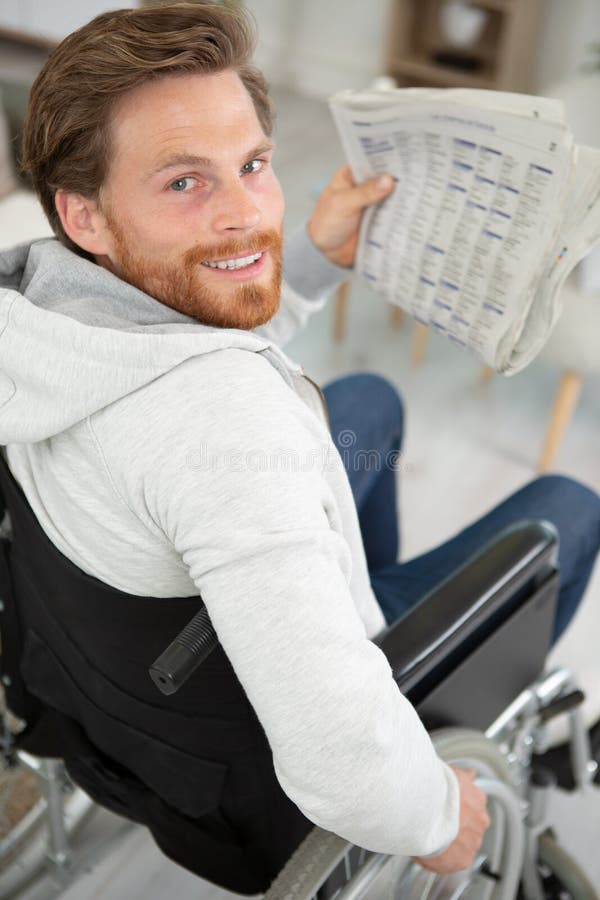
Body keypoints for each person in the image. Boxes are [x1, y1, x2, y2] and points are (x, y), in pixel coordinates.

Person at [0, 2, 598, 893]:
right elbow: (342, 767)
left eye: (251, 165)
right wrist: (437, 812)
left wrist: (313, 261)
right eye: (183, 183)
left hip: (107, 696)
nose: (248, 217)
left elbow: (165, 350)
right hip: (247, 784)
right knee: (571, 509)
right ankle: (400, 663)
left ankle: (352, 608)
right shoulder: (224, 422)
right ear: (85, 217)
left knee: (365, 405)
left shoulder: (35, 303)